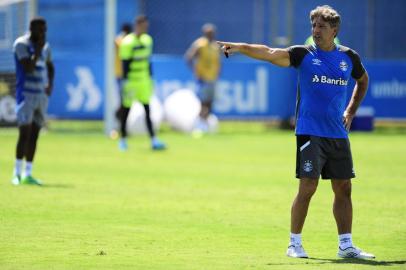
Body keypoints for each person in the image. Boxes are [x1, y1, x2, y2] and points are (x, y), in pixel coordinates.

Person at [218, 5, 375, 259]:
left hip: (337, 134)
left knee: (344, 188)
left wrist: (351, 110)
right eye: (313, 26)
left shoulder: (349, 58)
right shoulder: (303, 55)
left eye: (321, 27)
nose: (315, 31)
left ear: (334, 30)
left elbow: (363, 80)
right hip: (309, 132)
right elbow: (269, 53)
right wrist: (240, 47)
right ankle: (294, 243)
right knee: (308, 187)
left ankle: (346, 245)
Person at [11, 17, 54, 185]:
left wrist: (50, 83)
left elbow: (50, 66)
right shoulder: (21, 45)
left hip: (40, 96)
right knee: (24, 134)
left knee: (35, 135)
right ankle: (16, 173)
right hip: (25, 95)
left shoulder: (46, 47)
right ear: (32, 29)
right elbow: (27, 68)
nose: (43, 33)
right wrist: (37, 51)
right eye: (41, 30)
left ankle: (28, 173)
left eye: (45, 30)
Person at [118, 15, 165, 151]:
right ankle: (123, 140)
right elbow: (125, 64)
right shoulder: (127, 42)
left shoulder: (148, 40)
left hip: (144, 81)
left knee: (147, 110)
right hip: (131, 82)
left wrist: (150, 78)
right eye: (144, 26)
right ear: (137, 25)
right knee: (126, 111)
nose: (146, 28)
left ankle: (154, 140)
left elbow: (148, 61)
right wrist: (125, 82)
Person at [185, 23, 221, 134]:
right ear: (204, 33)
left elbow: (225, 54)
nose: (210, 34)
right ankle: (198, 126)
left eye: (212, 33)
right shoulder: (200, 44)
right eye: (208, 33)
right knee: (203, 103)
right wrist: (195, 72)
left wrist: (235, 50)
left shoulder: (216, 46)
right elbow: (189, 57)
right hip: (203, 78)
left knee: (210, 103)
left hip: (213, 78)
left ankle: (205, 125)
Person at [114, 23, 132, 129]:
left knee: (126, 102)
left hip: (129, 76)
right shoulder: (120, 40)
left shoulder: (127, 41)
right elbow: (118, 43)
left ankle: (122, 124)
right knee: (123, 101)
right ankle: (119, 122)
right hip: (121, 75)